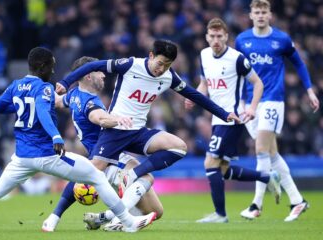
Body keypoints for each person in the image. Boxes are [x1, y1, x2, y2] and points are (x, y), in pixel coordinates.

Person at [0, 47, 156, 233]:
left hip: (21, 157)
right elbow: (41, 110)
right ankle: (128, 222)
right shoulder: (44, 88)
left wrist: (21, 106)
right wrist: (56, 136)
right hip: (47, 155)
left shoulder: (16, 85)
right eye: (52, 65)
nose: (54, 69)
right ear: (43, 67)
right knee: (97, 176)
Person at [55, 39, 241, 229]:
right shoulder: (130, 65)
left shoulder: (169, 76)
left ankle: (115, 205)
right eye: (160, 63)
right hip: (115, 132)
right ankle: (56, 216)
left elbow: (195, 95)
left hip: (138, 132)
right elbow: (94, 65)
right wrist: (65, 81)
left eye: (167, 65)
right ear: (151, 55)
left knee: (179, 148)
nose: (162, 69)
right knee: (90, 172)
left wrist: (224, 114)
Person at [42, 56, 163, 232]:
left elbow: (58, 101)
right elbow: (98, 117)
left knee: (156, 211)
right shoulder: (91, 102)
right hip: (109, 156)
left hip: (98, 156)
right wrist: (117, 119)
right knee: (147, 177)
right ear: (88, 76)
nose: (104, 75)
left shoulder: (74, 94)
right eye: (100, 72)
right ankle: (118, 222)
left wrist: (40, 90)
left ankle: (95, 218)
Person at [185, 18, 281, 223]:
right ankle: (266, 177)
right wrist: (194, 98)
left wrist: (252, 107)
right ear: (206, 37)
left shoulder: (237, 59)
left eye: (220, 36)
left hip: (232, 119)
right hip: (217, 120)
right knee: (223, 170)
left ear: (227, 37)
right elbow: (204, 84)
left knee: (210, 162)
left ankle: (220, 215)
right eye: (212, 36)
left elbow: (258, 83)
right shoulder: (203, 55)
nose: (216, 40)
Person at [235, 0, 320, 222]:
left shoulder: (281, 39)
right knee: (271, 155)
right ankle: (297, 200)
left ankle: (256, 204)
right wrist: (240, 101)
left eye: (264, 12)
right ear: (251, 15)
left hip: (273, 100)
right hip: (252, 102)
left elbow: (299, 64)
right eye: (257, 12)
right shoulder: (242, 40)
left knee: (261, 149)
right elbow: (238, 72)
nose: (261, 15)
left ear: (270, 15)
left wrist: (309, 91)